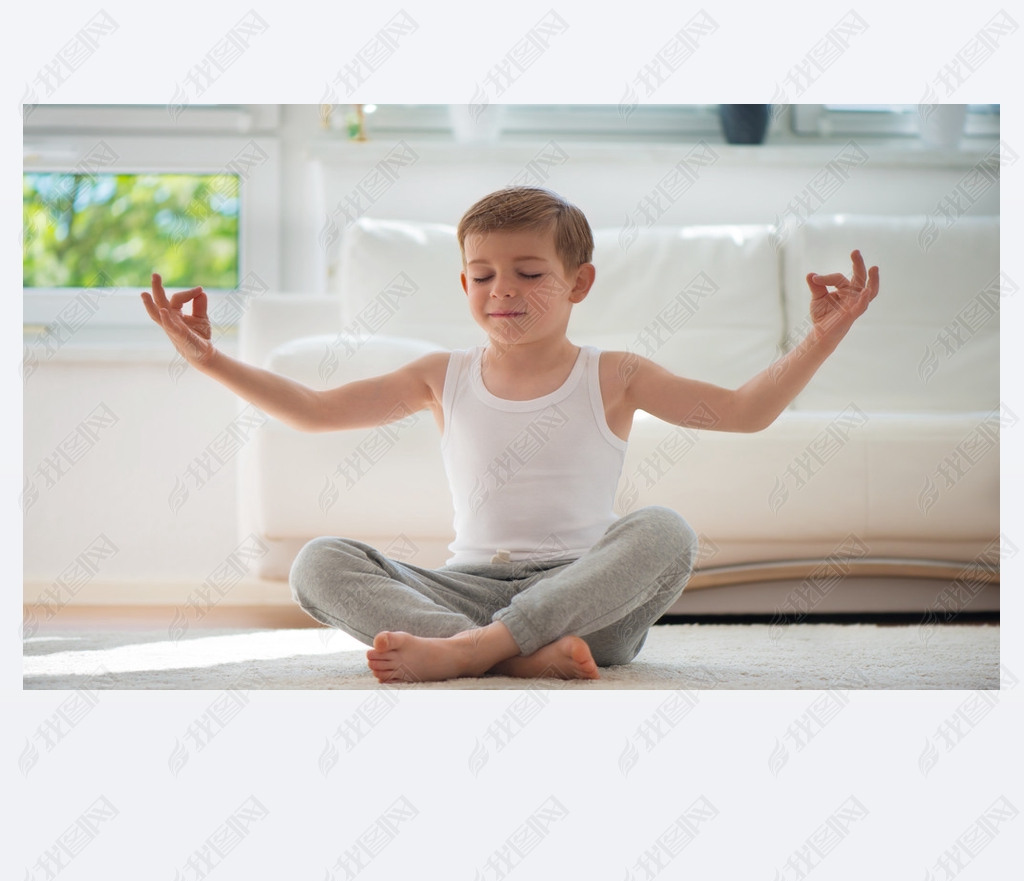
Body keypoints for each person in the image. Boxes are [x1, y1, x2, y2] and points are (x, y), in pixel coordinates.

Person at [141, 187, 880, 683]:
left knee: (666, 532)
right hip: (463, 591)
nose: (503, 292)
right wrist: (209, 358)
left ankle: (478, 653)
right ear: (463, 285)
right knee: (319, 563)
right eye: (483, 275)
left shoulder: (616, 374)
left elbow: (745, 412)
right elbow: (312, 408)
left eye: (529, 273)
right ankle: (514, 655)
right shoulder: (441, 374)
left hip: (587, 602)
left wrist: (823, 337)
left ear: (578, 284)